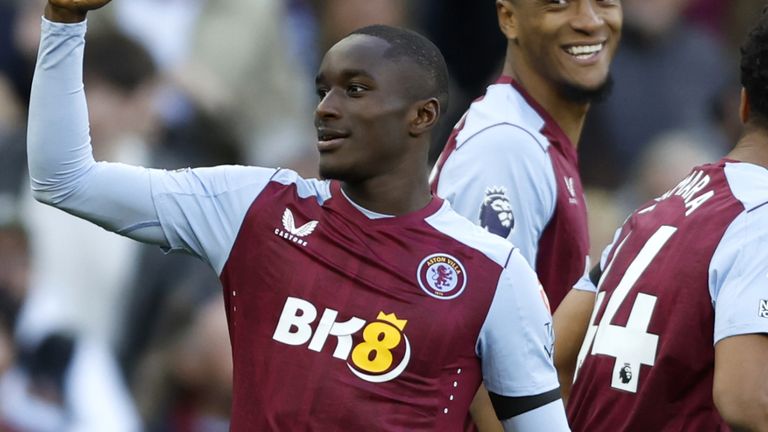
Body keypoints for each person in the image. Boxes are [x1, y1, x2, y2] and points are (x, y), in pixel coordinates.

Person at [28, 1, 570, 430]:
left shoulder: (493, 275)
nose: (326, 107)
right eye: (322, 90)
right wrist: (64, 21)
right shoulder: (253, 206)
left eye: (355, 90)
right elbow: (64, 180)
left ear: (422, 115)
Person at [565, 11, 768, 430]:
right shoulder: (760, 219)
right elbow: (746, 400)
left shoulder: (656, 207)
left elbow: (556, 354)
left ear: (744, 104)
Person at [429, 0, 622, 424]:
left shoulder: (532, 137)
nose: (590, 21)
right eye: (559, 4)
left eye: (604, 1)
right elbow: (486, 378)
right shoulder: (505, 148)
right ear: (508, 18)